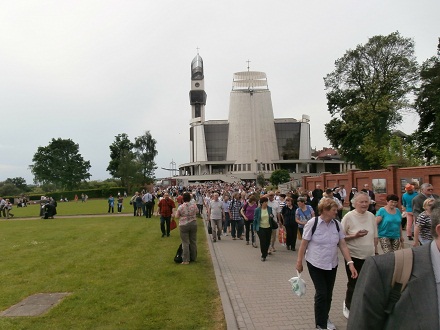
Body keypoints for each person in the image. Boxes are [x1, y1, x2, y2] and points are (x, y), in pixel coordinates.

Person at [347, 200, 440, 329]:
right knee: (392, 255)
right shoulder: (383, 269)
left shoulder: (396, 211)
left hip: (395, 236)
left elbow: (397, 224)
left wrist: (401, 236)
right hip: (382, 238)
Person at [296, 198, 358, 330]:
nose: (336, 212)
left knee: (329, 294)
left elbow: (343, 245)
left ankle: (325, 317)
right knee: (322, 293)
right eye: (334, 210)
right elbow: (304, 244)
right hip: (315, 263)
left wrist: (350, 263)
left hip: (332, 264)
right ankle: (320, 324)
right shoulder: (313, 223)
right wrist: (299, 262)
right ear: (325, 210)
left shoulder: (336, 224)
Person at [341, 192, 378, 319]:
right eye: (361, 202)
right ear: (354, 203)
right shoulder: (348, 217)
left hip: (369, 256)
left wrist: (376, 251)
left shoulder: (371, 216)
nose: (364, 204)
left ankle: (363, 307)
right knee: (354, 283)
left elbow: (375, 236)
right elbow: (340, 238)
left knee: (367, 284)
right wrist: (354, 235)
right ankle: (348, 305)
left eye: (366, 202)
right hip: (353, 257)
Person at [175, 192, 198, 265]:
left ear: (183, 199)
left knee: (185, 242)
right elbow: (197, 212)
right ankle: (193, 257)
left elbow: (177, 216)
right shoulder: (194, 205)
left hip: (184, 224)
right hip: (193, 223)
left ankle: (186, 259)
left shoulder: (181, 207)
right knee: (193, 241)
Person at [253, 196, 274, 262]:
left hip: (268, 227)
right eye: (265, 202)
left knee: (267, 241)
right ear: (262, 203)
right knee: (262, 241)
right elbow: (255, 219)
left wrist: (271, 216)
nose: (266, 203)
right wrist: (254, 228)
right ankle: (263, 255)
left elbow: (272, 215)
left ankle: (266, 251)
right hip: (261, 227)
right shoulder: (257, 210)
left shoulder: (269, 208)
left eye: (267, 202)